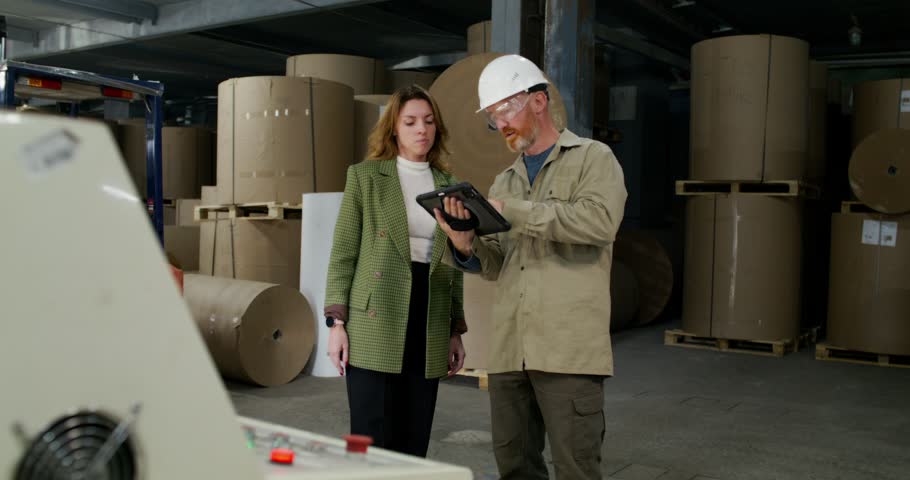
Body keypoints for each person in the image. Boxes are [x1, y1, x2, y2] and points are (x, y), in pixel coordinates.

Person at [435, 54, 627, 479]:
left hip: (567, 351)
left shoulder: (593, 159)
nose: (500, 124)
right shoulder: (505, 180)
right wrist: (465, 245)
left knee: (575, 466)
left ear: (538, 101)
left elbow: (599, 223)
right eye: (492, 117)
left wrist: (514, 211)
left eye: (505, 110)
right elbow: (500, 263)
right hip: (509, 350)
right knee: (515, 465)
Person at [324, 85, 467, 458]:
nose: (422, 129)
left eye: (429, 121)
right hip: (376, 313)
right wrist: (337, 324)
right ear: (393, 129)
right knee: (370, 434)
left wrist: (455, 329)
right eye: (411, 122)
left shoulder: (449, 186)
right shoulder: (365, 177)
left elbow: (453, 263)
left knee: (415, 433)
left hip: (429, 311)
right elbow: (343, 253)